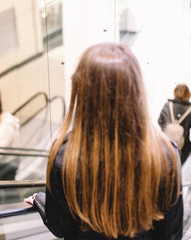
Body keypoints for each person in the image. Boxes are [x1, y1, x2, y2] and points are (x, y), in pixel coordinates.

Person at [25, 43, 183, 239]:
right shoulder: (165, 153)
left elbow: (61, 227)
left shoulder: (64, 154)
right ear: (135, 89)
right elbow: (171, 234)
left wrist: (41, 200)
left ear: (82, 92)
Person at [158, 84, 191, 165]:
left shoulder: (167, 105)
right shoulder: (190, 109)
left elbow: (160, 121)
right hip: (183, 148)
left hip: (166, 145)